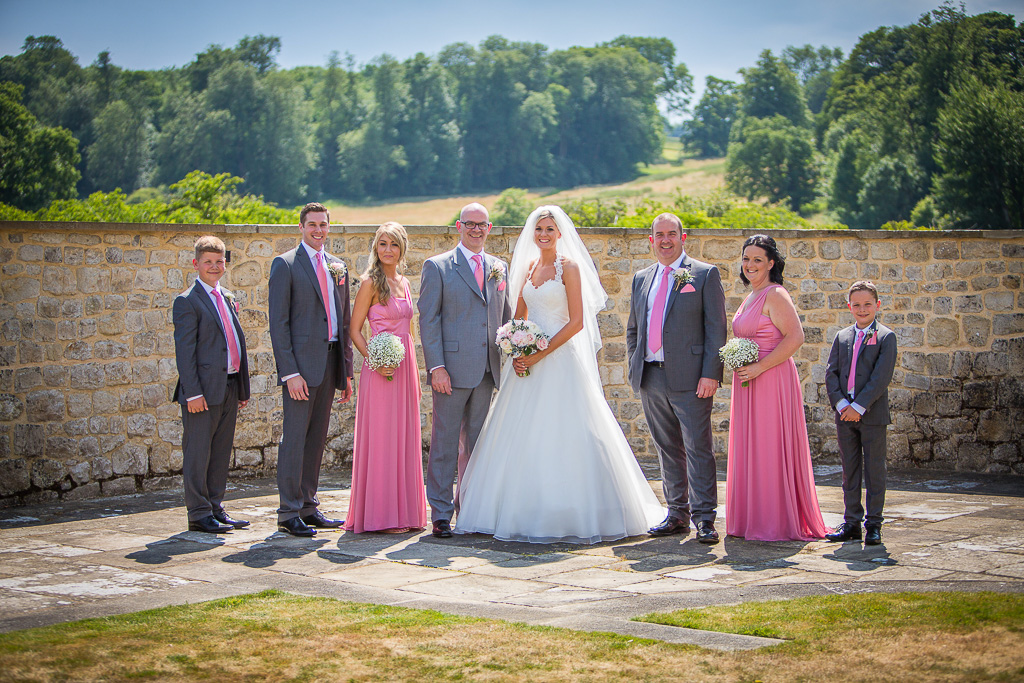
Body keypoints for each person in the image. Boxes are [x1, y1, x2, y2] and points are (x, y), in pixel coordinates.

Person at [454, 206, 665, 544]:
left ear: (560, 233)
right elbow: (519, 317)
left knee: (567, 432)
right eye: (539, 229)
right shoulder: (528, 268)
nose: (543, 234)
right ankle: (517, 509)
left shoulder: (570, 268)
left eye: (550, 229)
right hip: (528, 363)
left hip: (561, 360)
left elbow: (577, 322)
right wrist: (517, 351)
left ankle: (572, 511)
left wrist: (540, 352)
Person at [626, 213, 727, 544]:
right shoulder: (642, 278)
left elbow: (716, 328)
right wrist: (635, 364)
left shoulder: (704, 274)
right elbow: (633, 329)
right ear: (651, 240)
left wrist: (711, 373)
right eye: (660, 234)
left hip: (692, 378)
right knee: (667, 448)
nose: (665, 240)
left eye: (672, 234)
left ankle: (705, 518)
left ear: (683, 238)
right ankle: (677, 514)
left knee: (698, 448)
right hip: (651, 376)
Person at [418, 203, 513, 538]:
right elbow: (428, 320)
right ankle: (441, 514)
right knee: (445, 445)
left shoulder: (499, 267)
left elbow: (505, 317)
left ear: (489, 228)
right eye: (469, 224)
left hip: (487, 371)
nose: (476, 229)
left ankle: (471, 510)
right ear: (459, 226)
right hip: (451, 372)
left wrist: (518, 348)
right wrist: (437, 367)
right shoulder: (438, 266)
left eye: (481, 224)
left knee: (478, 446)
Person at [726, 234, 827, 541]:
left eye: (757, 259)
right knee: (751, 447)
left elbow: (796, 337)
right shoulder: (750, 296)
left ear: (771, 263)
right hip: (747, 382)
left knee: (769, 445)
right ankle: (751, 517)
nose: (750, 265)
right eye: (746, 259)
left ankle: (774, 520)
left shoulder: (776, 294)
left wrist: (759, 367)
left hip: (770, 379)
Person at [268, 202, 354, 537]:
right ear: (301, 227)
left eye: (323, 224)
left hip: (330, 363)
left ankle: (308, 506)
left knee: (316, 440)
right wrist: (290, 373)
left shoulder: (338, 266)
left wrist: (346, 371)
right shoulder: (286, 264)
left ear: (329, 227)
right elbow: (279, 324)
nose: (318, 230)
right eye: (312, 224)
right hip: (301, 370)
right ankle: (288, 512)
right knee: (294, 440)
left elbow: (344, 321)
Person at [344, 222, 427, 534]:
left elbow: (409, 331)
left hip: (405, 369)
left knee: (404, 439)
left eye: (393, 244)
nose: (388, 250)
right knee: (382, 439)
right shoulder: (370, 283)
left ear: (402, 248)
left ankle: (406, 513)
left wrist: (415, 372)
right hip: (379, 370)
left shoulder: (404, 282)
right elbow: (354, 330)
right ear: (375, 248)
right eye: (382, 244)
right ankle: (382, 516)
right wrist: (375, 361)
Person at [172, 236, 251, 533]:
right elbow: (185, 353)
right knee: (198, 453)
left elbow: (235, 342)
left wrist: (241, 388)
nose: (214, 266)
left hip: (228, 386)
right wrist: (192, 393)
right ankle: (198, 513)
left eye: (219, 261)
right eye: (208, 262)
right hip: (201, 392)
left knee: (220, 452)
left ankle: (216, 508)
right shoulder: (187, 301)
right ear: (196, 264)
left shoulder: (227, 297)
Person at [824, 281, 897, 546]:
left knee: (875, 470)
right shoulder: (842, 336)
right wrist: (842, 404)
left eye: (867, 304)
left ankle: (874, 524)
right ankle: (852, 522)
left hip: (872, 415)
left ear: (877, 305)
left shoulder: (886, 337)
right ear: (849, 307)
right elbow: (831, 373)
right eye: (857, 305)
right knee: (850, 470)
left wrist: (859, 406)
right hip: (845, 415)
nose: (862, 309)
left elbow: (881, 377)